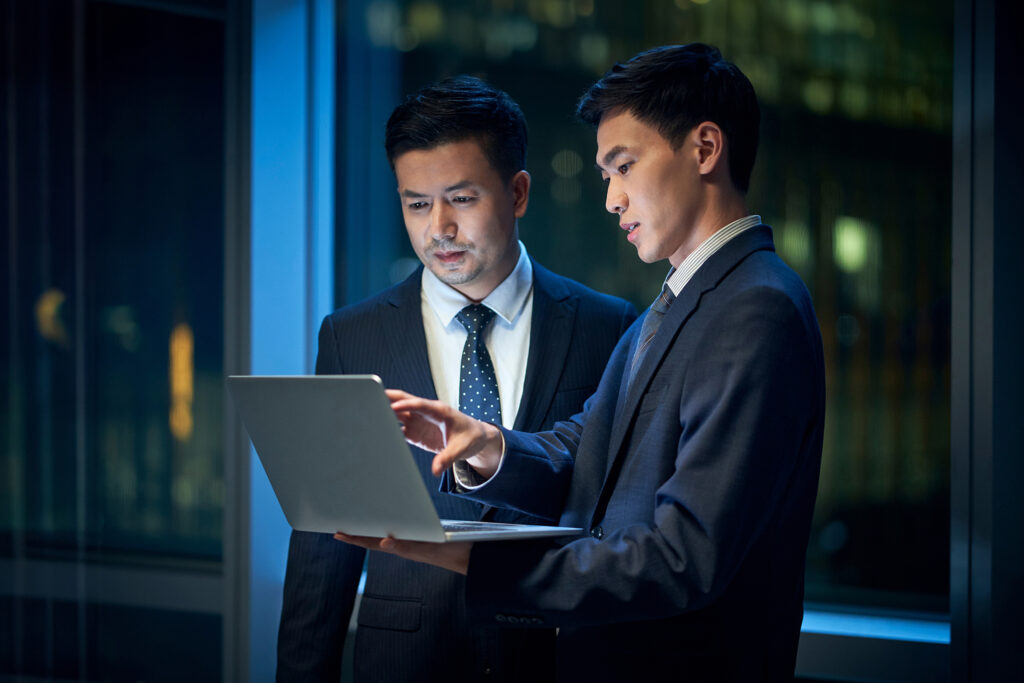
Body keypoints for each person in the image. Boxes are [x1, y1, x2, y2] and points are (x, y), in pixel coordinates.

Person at [338, 44, 826, 681]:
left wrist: (469, 559)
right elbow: (588, 446)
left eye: (623, 166)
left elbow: (683, 558)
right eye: (606, 177)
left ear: (705, 149)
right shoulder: (681, 302)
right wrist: (488, 446)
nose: (612, 200)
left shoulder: (754, 309)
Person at [276, 75, 638, 683]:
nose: (438, 227)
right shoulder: (352, 335)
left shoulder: (608, 325)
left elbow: (612, 508)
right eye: (416, 203)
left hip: (554, 659)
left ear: (518, 192)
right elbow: (324, 546)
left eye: (462, 199)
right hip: (405, 661)